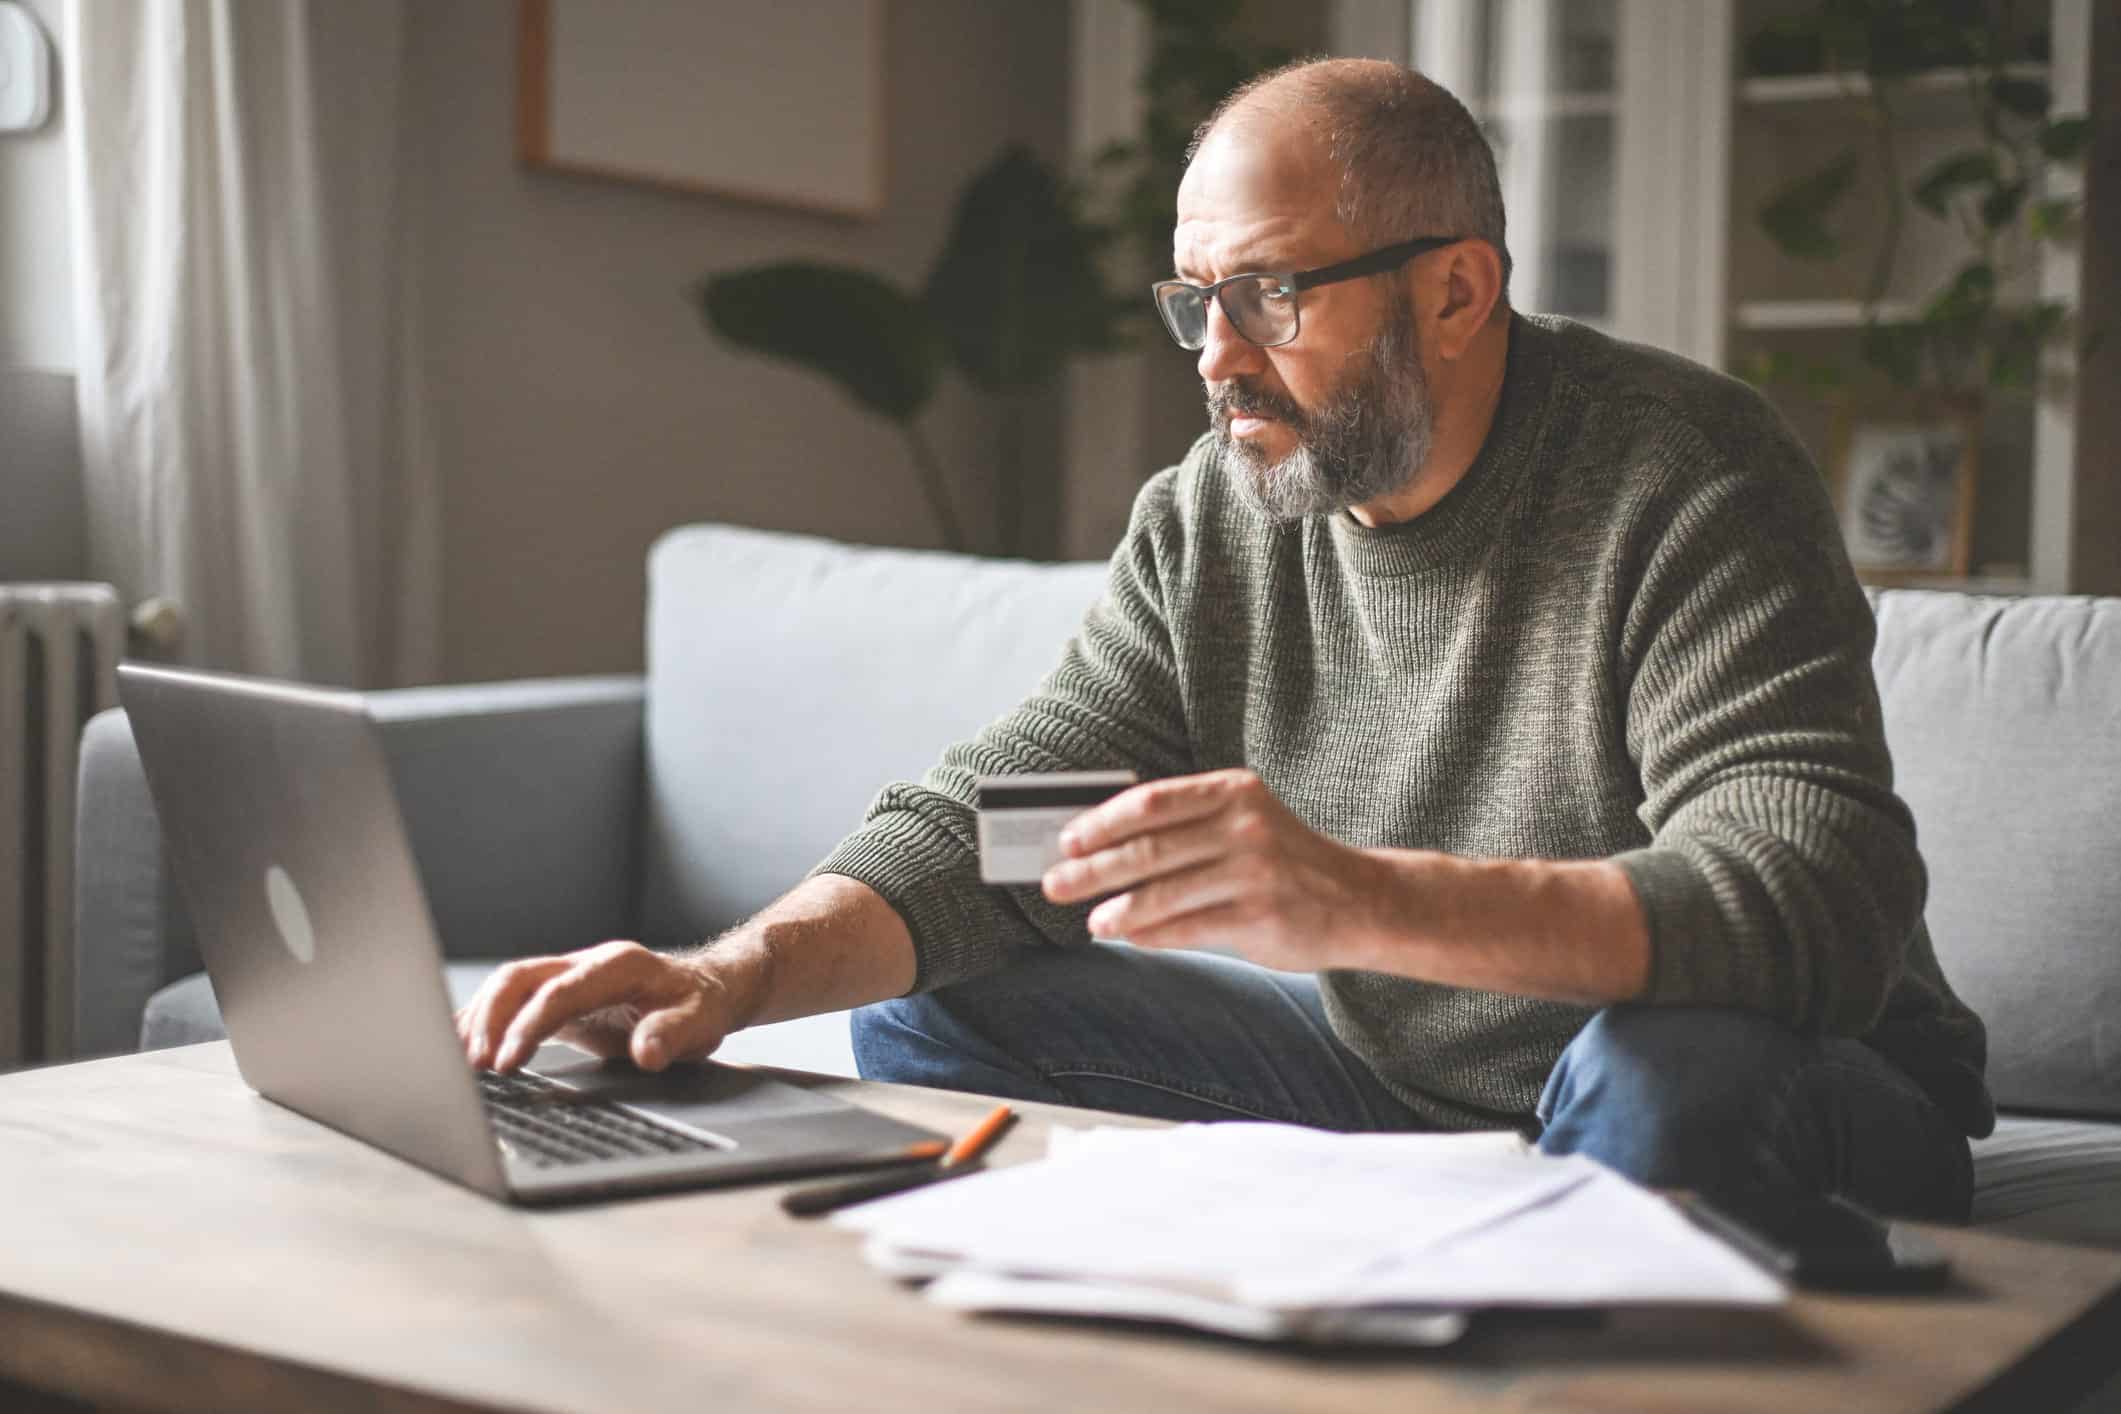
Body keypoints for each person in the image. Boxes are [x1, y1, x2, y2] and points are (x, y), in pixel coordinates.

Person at [455, 59, 1991, 1220]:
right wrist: (725, 973)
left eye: (1266, 292)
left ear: (1456, 290)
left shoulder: (1686, 473)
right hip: (1406, 1096)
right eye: (1193, 301)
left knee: (1665, 1076)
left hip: (1787, 1082)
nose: (1215, 360)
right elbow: (1007, 820)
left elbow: (1807, 895)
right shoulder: (1216, 508)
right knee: (933, 995)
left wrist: (1354, 900)